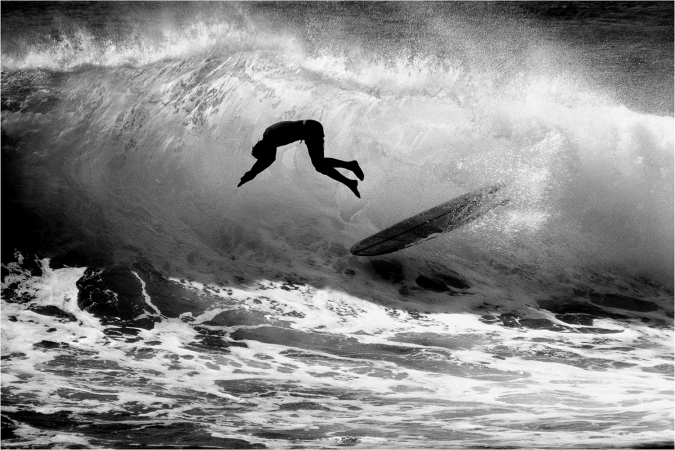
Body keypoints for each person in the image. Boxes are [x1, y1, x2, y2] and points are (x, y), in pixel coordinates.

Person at [237, 120, 364, 198]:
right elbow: (267, 159)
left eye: (264, 154)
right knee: (320, 165)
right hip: (310, 128)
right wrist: (251, 173)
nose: (267, 155)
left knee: (319, 164)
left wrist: (252, 173)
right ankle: (350, 180)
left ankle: (351, 168)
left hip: (310, 129)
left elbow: (268, 159)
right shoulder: (269, 137)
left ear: (263, 149)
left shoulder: (271, 136)